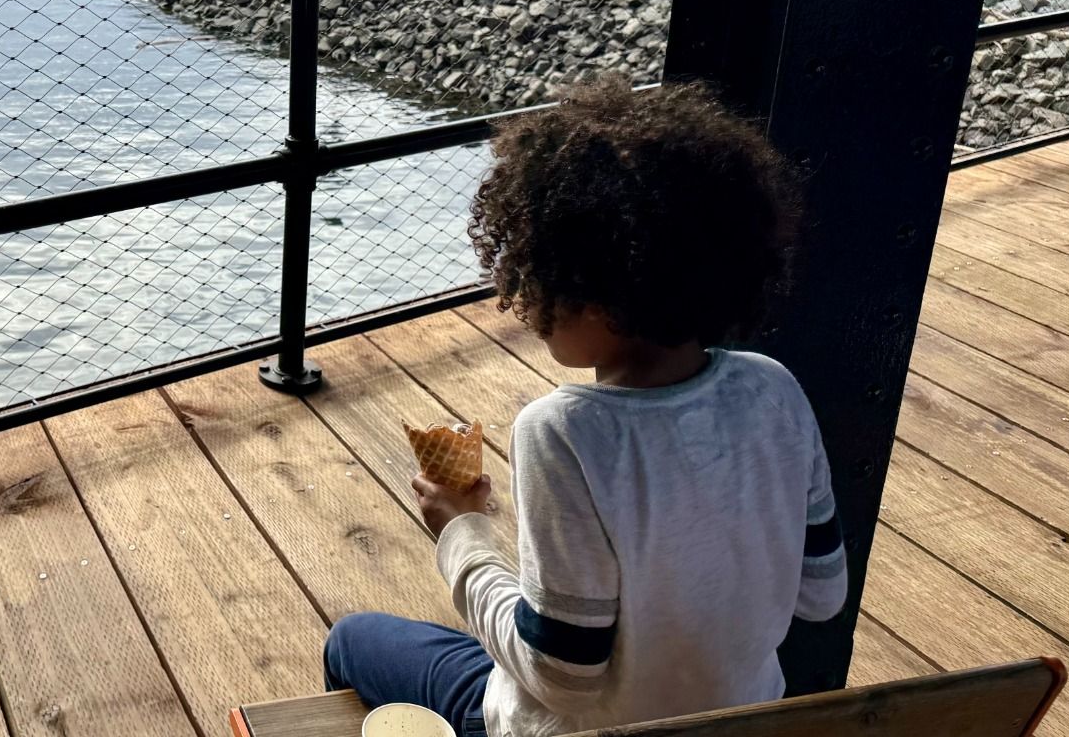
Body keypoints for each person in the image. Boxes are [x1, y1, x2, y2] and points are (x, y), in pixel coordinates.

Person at [323, 76, 843, 737]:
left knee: (352, 641)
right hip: (739, 722)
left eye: (534, 276)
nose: (524, 301)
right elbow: (823, 597)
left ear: (594, 298)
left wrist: (461, 534)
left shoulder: (563, 434)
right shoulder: (775, 390)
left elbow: (561, 678)